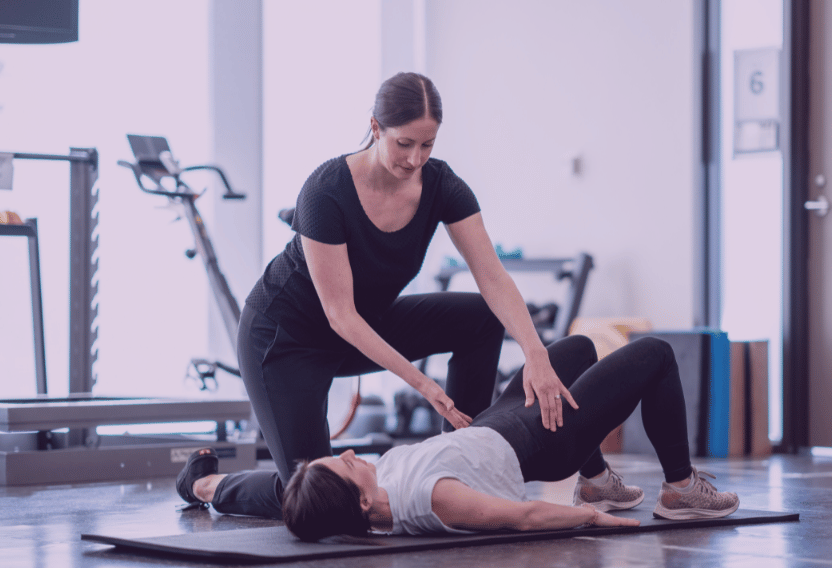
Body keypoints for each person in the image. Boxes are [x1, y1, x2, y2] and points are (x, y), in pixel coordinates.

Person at [175, 72, 641, 519]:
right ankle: (205, 484)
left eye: (427, 145)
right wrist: (423, 385)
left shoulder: (441, 185)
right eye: (404, 143)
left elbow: (492, 277)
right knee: (317, 490)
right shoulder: (325, 191)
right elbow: (340, 316)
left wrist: (535, 353)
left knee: (480, 317)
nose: (415, 158)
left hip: (365, 323)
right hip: (285, 339)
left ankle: (458, 462)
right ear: (376, 128)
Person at [278, 335, 740, 540]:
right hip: (546, 441)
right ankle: (681, 489)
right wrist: (589, 521)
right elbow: (522, 517)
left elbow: (307, 507)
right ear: (359, 502)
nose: (352, 452)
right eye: (343, 463)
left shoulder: (366, 493)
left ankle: (598, 481)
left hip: (495, 421)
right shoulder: (427, 498)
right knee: (656, 355)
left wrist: (212, 486)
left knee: (576, 349)